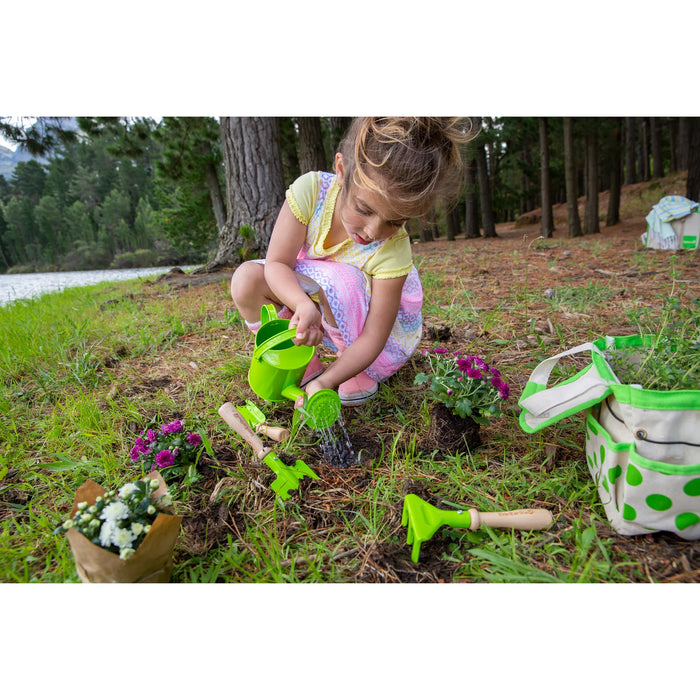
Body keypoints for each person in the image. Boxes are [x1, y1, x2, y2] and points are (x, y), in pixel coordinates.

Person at [231, 117, 472, 407]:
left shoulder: (393, 248)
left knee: (340, 282)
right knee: (247, 279)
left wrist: (327, 382)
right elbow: (277, 264)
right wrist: (301, 304)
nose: (373, 231)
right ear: (341, 171)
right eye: (364, 209)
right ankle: (300, 358)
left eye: (395, 221)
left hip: (362, 332)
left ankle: (350, 368)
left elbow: (373, 337)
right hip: (317, 308)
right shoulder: (312, 191)